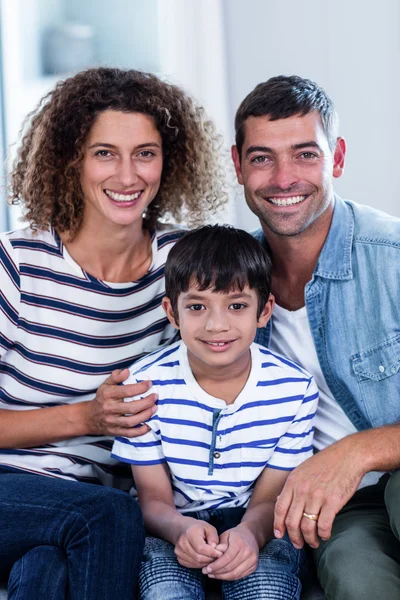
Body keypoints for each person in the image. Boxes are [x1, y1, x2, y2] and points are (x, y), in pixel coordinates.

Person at [0, 67, 226, 600]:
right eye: (105, 153)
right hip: (14, 492)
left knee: (46, 571)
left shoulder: (184, 265)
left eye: (145, 153)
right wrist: (88, 417)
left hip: (85, 511)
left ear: (168, 161)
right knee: (109, 517)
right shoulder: (16, 264)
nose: (128, 176)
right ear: (71, 159)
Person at [231, 74, 400, 599]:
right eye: (262, 159)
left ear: (337, 158)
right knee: (356, 578)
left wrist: (355, 453)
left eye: (305, 154)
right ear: (237, 165)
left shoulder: (391, 258)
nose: (284, 178)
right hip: (340, 512)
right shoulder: (230, 286)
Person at [112, 225, 319, 600]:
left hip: (258, 524)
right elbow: (153, 500)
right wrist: (179, 530)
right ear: (172, 313)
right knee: (165, 591)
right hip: (171, 526)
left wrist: (248, 535)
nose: (216, 324)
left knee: (267, 589)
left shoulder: (295, 390)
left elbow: (269, 499)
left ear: (264, 310)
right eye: (197, 306)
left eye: (237, 305)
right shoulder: (141, 386)